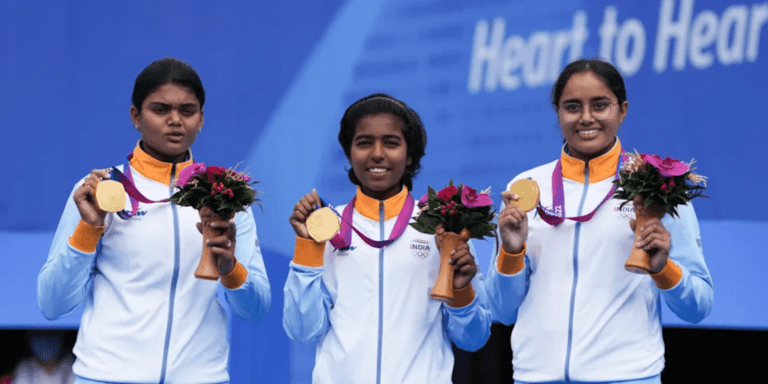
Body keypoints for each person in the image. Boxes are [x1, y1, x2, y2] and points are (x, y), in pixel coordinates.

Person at [38, 58, 271, 384]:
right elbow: (52, 304)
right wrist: (89, 229)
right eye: (160, 109)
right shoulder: (100, 191)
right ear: (136, 116)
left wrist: (230, 267)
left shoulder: (226, 198)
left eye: (188, 111)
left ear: (201, 119)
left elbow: (255, 309)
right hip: (106, 377)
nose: (175, 121)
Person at [485, 59, 713, 384]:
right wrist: (511, 252)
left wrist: (663, 269)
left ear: (623, 110)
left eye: (600, 105)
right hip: (534, 378)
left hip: (627, 378)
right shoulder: (524, 188)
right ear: (558, 113)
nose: (586, 118)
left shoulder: (657, 189)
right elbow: (502, 311)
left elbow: (698, 307)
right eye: (572, 107)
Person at [283, 93, 492, 383]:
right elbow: (301, 331)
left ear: (409, 155)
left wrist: (461, 294)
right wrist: (307, 247)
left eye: (391, 143)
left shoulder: (443, 228)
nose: (377, 153)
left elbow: (474, 339)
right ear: (349, 153)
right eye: (364, 142)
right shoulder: (327, 229)